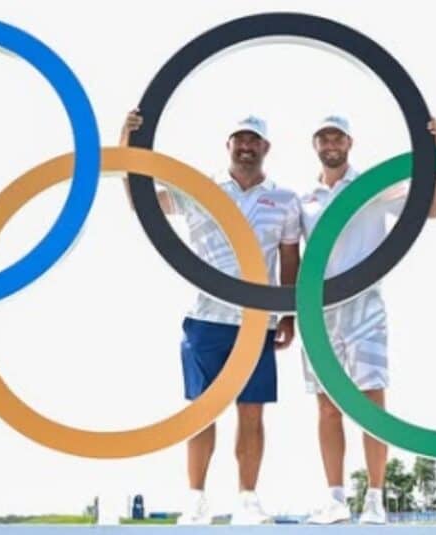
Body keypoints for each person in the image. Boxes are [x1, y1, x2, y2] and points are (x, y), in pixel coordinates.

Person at [119, 110, 301, 525]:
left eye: (254, 139)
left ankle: (248, 499)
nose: (246, 146)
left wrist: (287, 314)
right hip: (206, 317)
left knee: (252, 412)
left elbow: (290, 257)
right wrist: (126, 142)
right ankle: (196, 498)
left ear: (265, 147)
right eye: (239, 139)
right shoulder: (199, 188)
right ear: (229, 145)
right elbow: (141, 201)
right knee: (201, 410)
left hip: (257, 320)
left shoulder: (285, 199)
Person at [301, 115, 436, 525]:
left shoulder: (372, 187)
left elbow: (430, 208)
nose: (331, 143)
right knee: (327, 409)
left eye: (338, 136)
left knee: (371, 402)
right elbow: (292, 255)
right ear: (316, 144)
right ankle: (334, 499)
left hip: (365, 305)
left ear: (349, 142)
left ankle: (376, 499)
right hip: (319, 310)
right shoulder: (304, 198)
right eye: (324, 136)